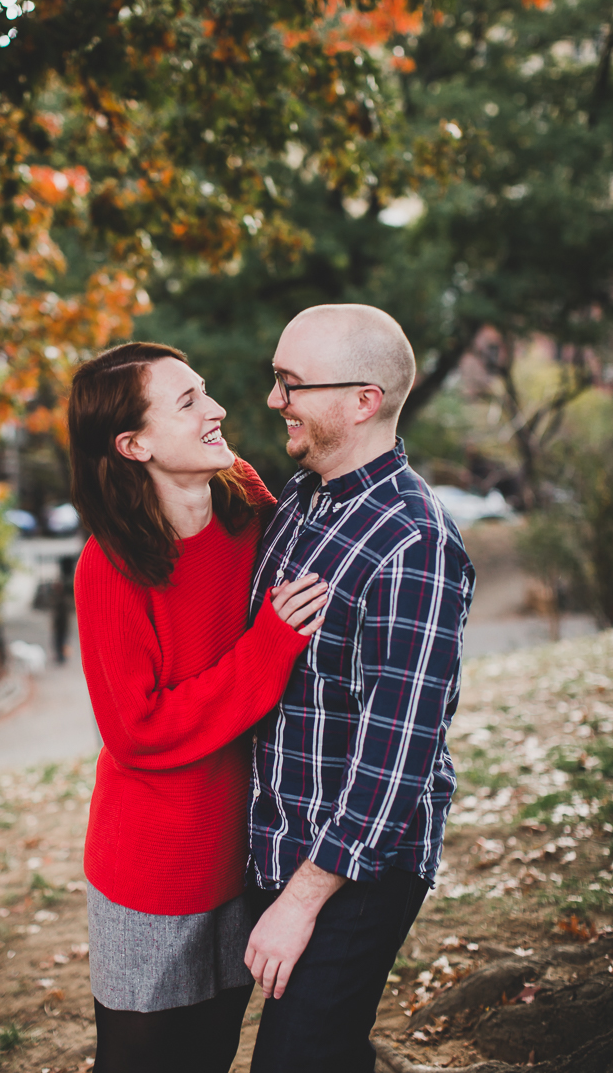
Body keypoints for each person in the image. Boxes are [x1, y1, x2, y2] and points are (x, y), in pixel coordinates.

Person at [67, 341, 328, 1073]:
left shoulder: (245, 499)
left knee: (210, 1058)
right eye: (188, 403)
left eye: (205, 391)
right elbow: (138, 732)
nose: (217, 410)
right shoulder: (110, 567)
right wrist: (268, 646)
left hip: (248, 855)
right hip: (153, 873)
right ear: (134, 444)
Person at [243, 304, 476, 1073]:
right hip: (273, 841)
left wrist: (301, 902)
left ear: (362, 401)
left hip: (355, 866)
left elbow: (396, 757)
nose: (274, 400)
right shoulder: (300, 501)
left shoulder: (414, 543)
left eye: (291, 383)